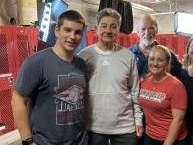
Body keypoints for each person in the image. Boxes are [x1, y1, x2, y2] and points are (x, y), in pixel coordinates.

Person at [11, 10, 88, 145]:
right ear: (57, 30)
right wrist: (27, 141)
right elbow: (17, 101)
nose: (72, 36)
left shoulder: (81, 65)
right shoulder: (36, 62)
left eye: (77, 32)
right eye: (67, 30)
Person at [78, 8, 143, 145]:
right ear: (96, 29)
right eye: (104, 26)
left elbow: (135, 91)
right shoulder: (84, 56)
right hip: (93, 127)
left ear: (118, 30)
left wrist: (138, 119)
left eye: (113, 27)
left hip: (125, 128)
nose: (108, 30)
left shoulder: (128, 56)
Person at [139, 45, 188, 145]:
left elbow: (178, 120)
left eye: (160, 60)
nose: (155, 63)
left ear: (167, 62)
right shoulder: (144, 82)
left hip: (172, 139)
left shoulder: (176, 86)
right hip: (150, 136)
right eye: (152, 59)